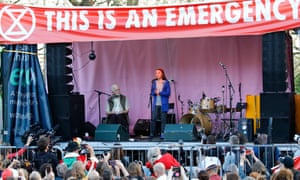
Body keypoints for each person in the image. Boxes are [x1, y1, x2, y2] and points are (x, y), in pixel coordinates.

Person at [150, 68, 171, 138]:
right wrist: (154, 93)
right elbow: (152, 93)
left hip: (163, 104)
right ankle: (152, 133)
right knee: (153, 118)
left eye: (158, 73)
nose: (157, 74)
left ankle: (163, 133)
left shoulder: (166, 82)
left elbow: (168, 93)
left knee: (163, 119)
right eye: (156, 73)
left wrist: (160, 92)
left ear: (162, 73)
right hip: (155, 104)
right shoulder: (154, 82)